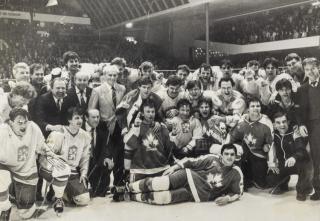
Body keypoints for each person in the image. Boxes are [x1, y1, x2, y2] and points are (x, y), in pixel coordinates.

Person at [0, 108, 66, 220]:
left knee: (26, 213)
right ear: (11, 123)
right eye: (19, 122)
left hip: (26, 171)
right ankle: (5, 206)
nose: (23, 125)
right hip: (5, 166)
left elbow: (41, 146)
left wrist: (51, 154)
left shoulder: (33, 127)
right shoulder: (2, 131)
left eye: (25, 122)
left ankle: (14, 196)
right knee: (2, 177)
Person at [128, 144, 243, 205]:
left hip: (195, 195)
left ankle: (132, 196)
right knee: (159, 184)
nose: (229, 157)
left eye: (232, 154)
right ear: (221, 155)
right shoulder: (213, 159)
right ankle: (129, 187)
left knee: (162, 198)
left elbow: (238, 192)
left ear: (235, 156)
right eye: (226, 154)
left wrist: (228, 199)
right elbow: (191, 161)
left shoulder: (236, 172)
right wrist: (175, 166)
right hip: (188, 177)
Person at [39, 107, 91, 213]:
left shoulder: (85, 136)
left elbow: (85, 158)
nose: (80, 121)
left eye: (81, 118)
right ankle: (58, 194)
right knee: (63, 169)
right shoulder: (59, 133)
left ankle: (61, 193)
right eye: (76, 118)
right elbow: (45, 155)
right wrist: (57, 164)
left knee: (84, 199)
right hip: (54, 169)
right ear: (69, 120)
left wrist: (83, 174)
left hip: (72, 171)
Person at [89, 65, 126, 189]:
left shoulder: (122, 88)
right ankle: (101, 187)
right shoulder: (97, 90)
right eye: (110, 75)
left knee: (119, 156)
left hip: (119, 127)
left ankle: (118, 184)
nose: (112, 77)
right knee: (105, 156)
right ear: (104, 76)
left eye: (114, 75)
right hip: (104, 127)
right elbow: (92, 110)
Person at [229, 98, 276, 189]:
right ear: (248, 109)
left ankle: (254, 177)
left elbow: (272, 144)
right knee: (237, 148)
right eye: (252, 106)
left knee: (262, 184)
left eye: (258, 106)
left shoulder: (266, 122)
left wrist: (272, 164)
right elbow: (232, 136)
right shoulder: (242, 120)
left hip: (260, 155)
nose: (255, 108)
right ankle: (243, 177)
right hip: (246, 153)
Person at [124, 99, 175, 183]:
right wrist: (136, 127)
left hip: (160, 168)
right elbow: (129, 144)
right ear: (142, 113)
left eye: (152, 112)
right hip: (140, 170)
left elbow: (169, 148)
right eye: (148, 112)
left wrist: (173, 135)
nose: (151, 114)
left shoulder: (161, 127)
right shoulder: (136, 127)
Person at [268, 112, 313, 201]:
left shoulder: (294, 133)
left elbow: (301, 150)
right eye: (278, 122)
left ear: (287, 122)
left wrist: (294, 157)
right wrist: (271, 163)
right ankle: (282, 184)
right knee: (270, 177)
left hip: (296, 163)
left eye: (284, 122)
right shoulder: (274, 135)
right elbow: (270, 150)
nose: (282, 125)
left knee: (304, 165)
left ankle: (302, 190)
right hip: (283, 164)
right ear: (274, 125)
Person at [295, 57, 320, 200]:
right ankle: (310, 189)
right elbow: (298, 112)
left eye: (313, 68)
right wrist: (301, 125)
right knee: (310, 157)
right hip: (310, 127)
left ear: (319, 68)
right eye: (307, 69)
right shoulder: (302, 89)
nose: (310, 72)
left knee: (318, 158)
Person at [84, 109, 114, 198]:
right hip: (82, 163)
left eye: (98, 117)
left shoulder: (102, 126)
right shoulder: (80, 127)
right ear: (86, 118)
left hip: (96, 162)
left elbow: (107, 145)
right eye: (93, 117)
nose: (96, 120)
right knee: (81, 195)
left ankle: (99, 189)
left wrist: (107, 158)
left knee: (99, 193)